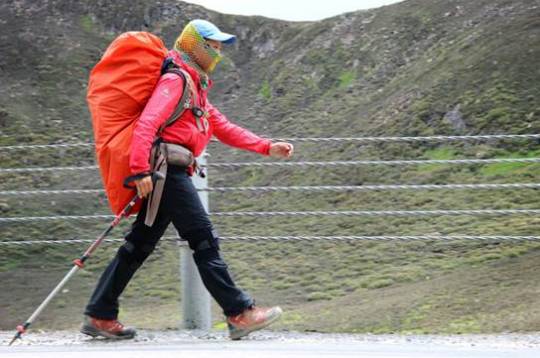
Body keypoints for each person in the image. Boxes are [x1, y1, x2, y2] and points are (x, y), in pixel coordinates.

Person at [81, 19, 293, 340]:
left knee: (139, 244)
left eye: (220, 47)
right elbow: (147, 125)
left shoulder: (196, 86)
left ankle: (100, 313)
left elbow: (222, 126)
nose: (218, 53)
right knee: (203, 238)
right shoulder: (176, 80)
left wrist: (266, 146)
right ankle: (239, 312)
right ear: (195, 45)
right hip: (166, 171)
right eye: (213, 46)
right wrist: (139, 169)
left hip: (169, 172)